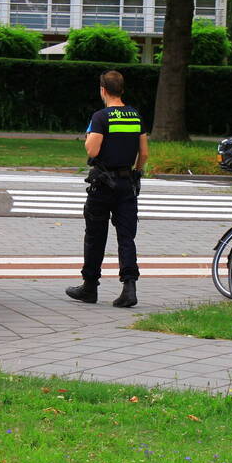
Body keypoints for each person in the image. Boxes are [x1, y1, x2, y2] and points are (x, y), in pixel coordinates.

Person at [66, 70, 148, 308]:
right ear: (121, 89)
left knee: (95, 235)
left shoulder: (101, 117)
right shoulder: (135, 116)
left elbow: (92, 150)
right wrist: (136, 173)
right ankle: (129, 287)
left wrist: (89, 134)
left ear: (103, 89)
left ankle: (89, 287)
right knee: (126, 236)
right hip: (126, 184)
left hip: (102, 184)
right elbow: (143, 153)